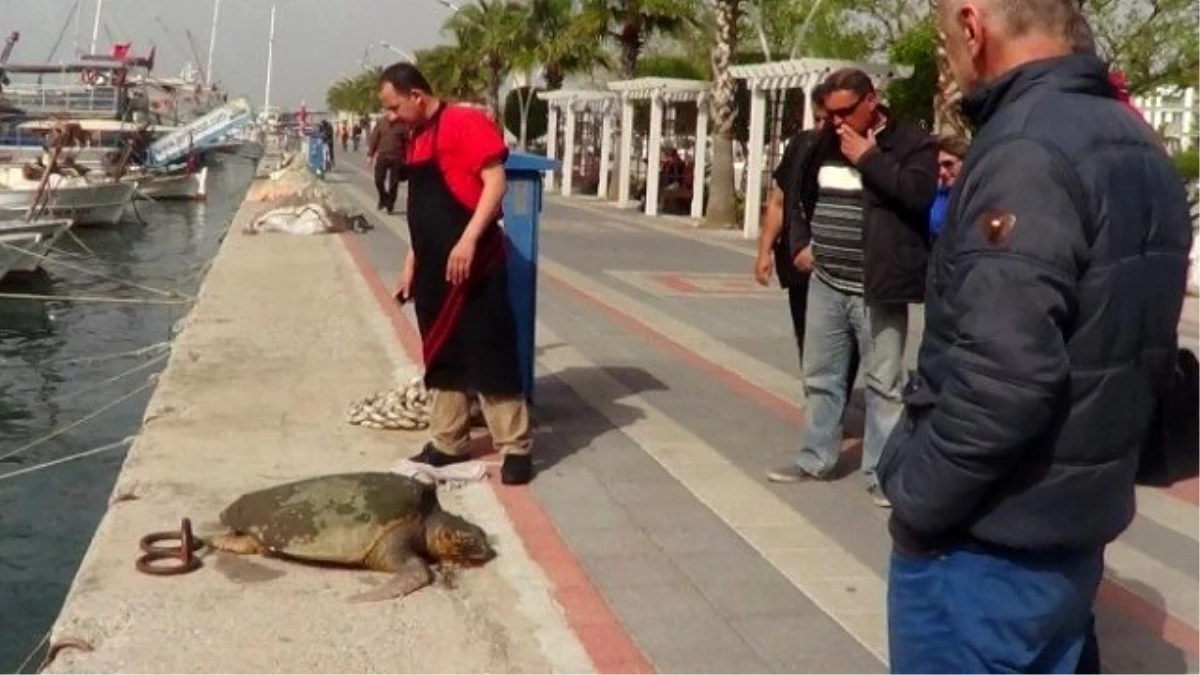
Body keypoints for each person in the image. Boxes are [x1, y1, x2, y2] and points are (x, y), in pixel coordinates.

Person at [876, 1, 1192, 672]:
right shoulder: (1135, 141)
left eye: (944, 40)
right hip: (1071, 534)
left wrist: (915, 495)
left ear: (972, 24)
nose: (950, 58)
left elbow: (1006, 378)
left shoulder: (1025, 149)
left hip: (986, 549)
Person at [767, 68, 937, 509]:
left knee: (884, 384)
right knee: (820, 375)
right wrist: (800, 243)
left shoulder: (910, 143)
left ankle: (883, 475)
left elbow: (918, 195)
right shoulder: (822, 141)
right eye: (830, 113)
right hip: (826, 280)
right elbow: (796, 193)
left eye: (845, 112)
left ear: (871, 101)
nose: (837, 122)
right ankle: (815, 459)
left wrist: (868, 158)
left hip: (878, 286)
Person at [377, 62, 534, 486]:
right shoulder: (415, 138)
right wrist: (411, 262)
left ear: (416, 95)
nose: (390, 116)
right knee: (441, 355)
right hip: (433, 269)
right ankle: (448, 441)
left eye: (393, 107)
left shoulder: (464, 122)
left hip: (475, 263)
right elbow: (422, 211)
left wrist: (468, 240)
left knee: (489, 351)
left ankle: (516, 447)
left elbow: (495, 182)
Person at [367, 114, 409, 214]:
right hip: (383, 156)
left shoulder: (402, 124)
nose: (392, 114)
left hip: (397, 157)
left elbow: (407, 142)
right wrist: (370, 154)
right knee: (378, 179)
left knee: (394, 183)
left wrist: (407, 158)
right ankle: (383, 198)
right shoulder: (382, 122)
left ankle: (390, 204)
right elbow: (374, 138)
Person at [928, 134, 967, 242]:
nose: (942, 172)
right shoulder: (934, 196)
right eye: (937, 166)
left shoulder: (978, 194)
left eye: (948, 164)